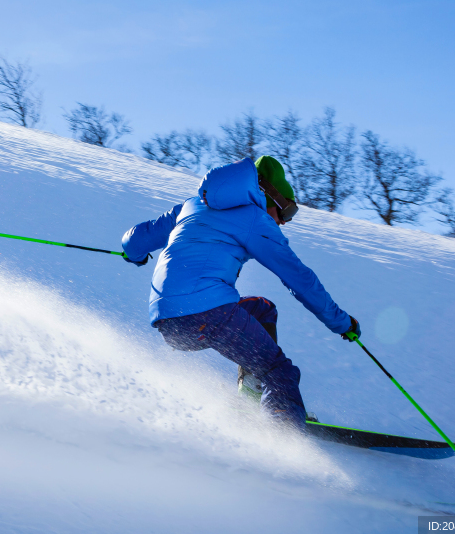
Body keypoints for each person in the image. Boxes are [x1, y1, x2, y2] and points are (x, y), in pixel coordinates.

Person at [121, 155, 360, 431]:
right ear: (271, 196)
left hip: (168, 322)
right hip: (208, 312)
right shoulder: (254, 219)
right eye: (287, 212)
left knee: (263, 309)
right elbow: (299, 279)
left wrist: (135, 255)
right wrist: (341, 322)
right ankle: (284, 431)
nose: (284, 221)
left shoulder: (191, 205)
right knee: (278, 370)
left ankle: (249, 403)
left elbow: (135, 239)